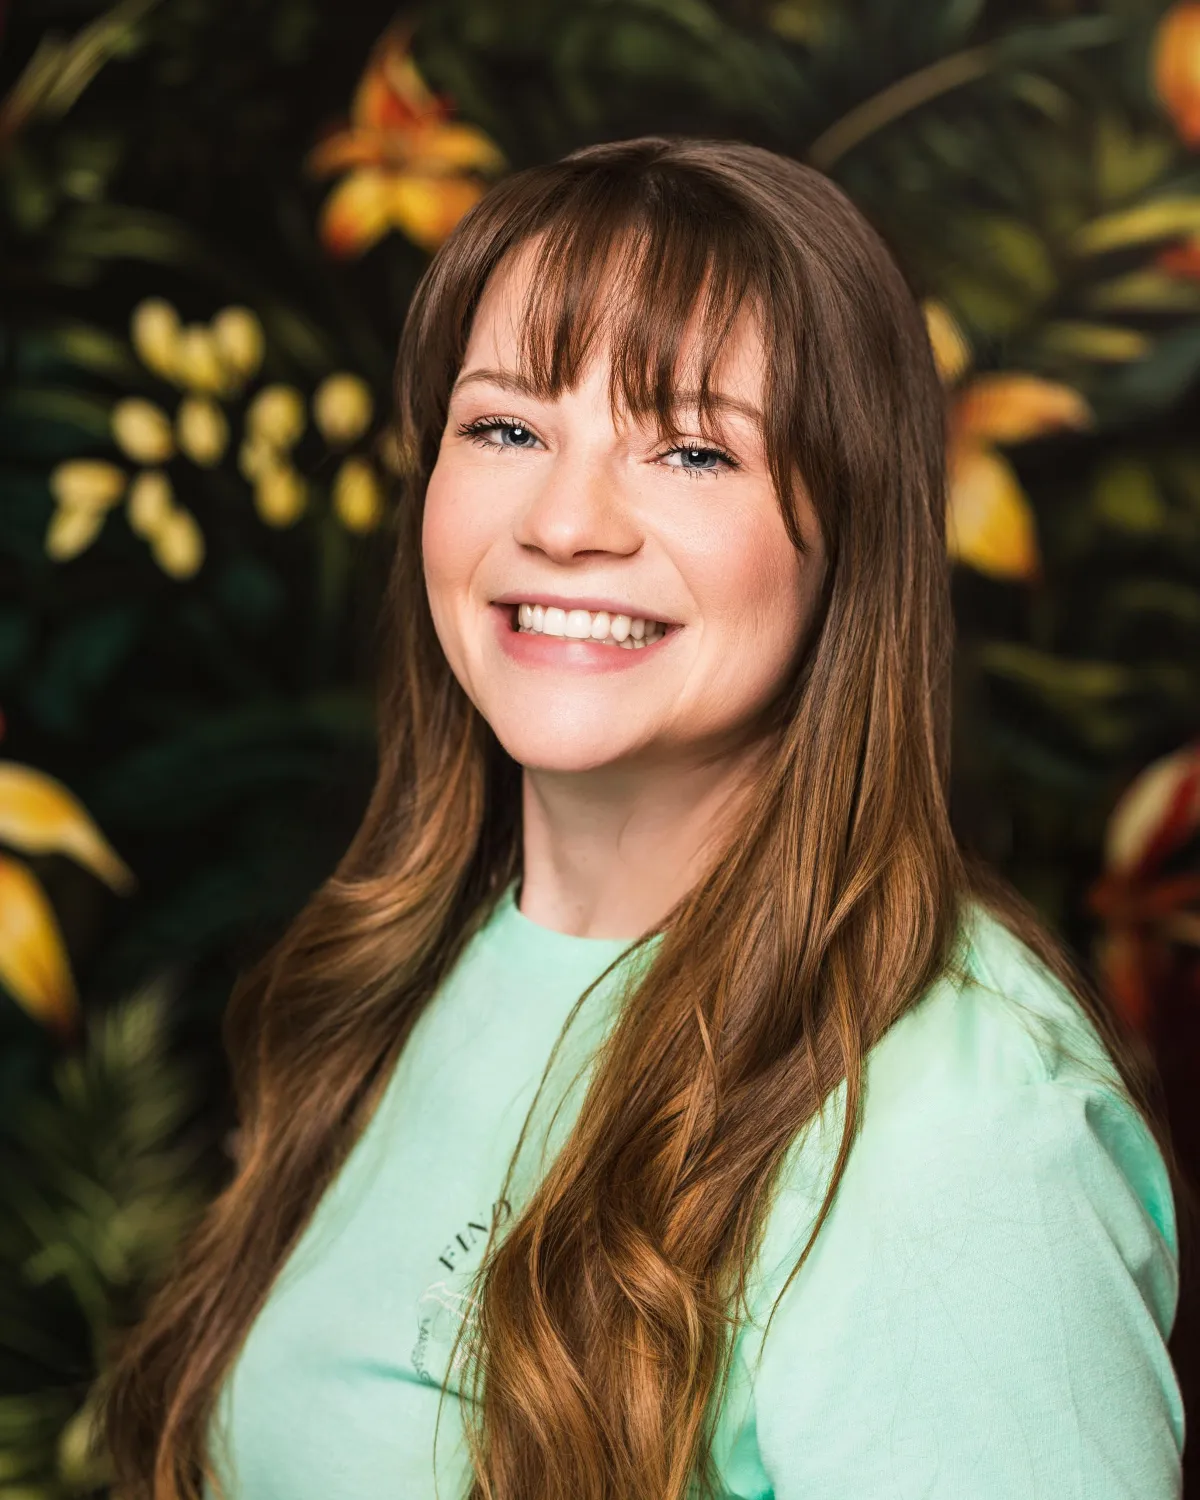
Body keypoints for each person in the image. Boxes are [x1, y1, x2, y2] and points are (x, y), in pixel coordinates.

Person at [105, 136, 1184, 1500]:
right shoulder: (413, 958)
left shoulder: (959, 1127)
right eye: (505, 426)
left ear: (849, 535)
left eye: (689, 449)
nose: (565, 520)